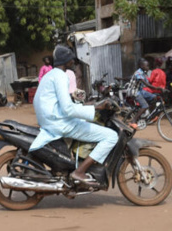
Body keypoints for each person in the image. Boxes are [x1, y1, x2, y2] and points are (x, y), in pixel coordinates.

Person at [30, 45, 117, 187]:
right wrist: (96, 107)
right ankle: (80, 171)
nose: (73, 62)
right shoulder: (61, 76)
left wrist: (87, 106)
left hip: (48, 120)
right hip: (59, 124)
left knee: (83, 119)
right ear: (66, 61)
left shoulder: (50, 75)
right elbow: (67, 109)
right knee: (111, 136)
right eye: (71, 59)